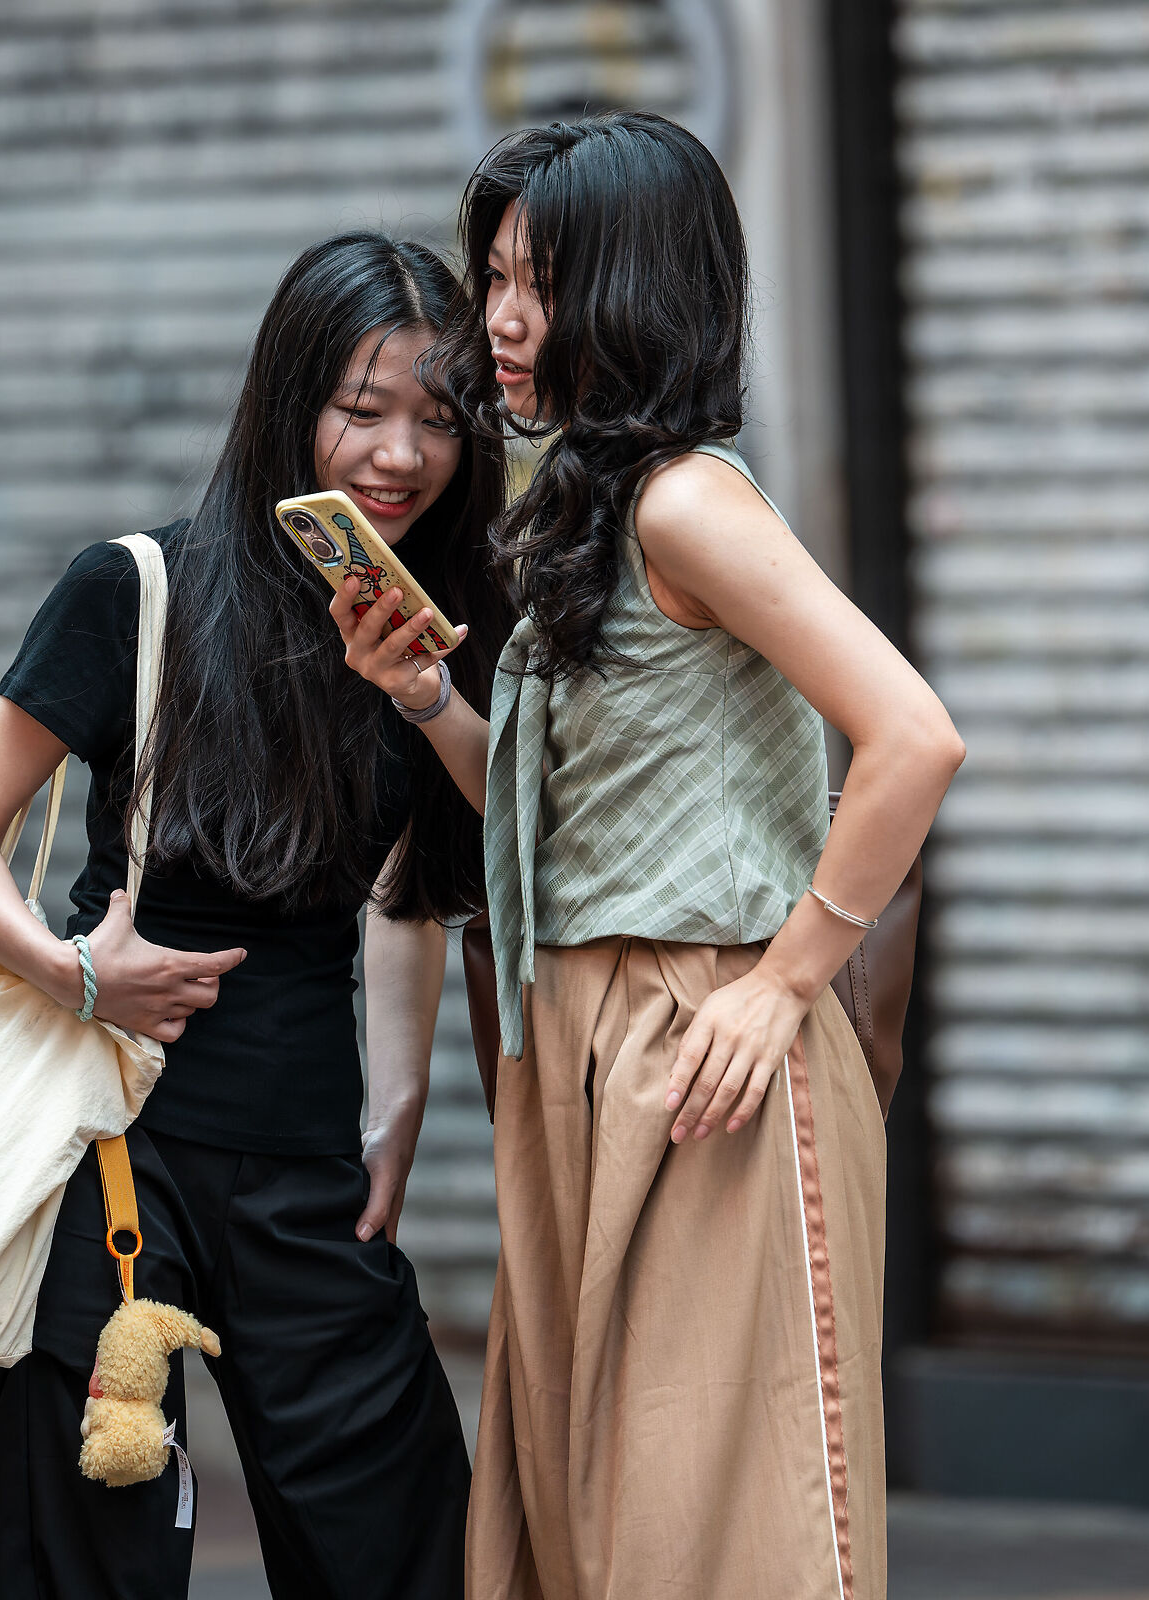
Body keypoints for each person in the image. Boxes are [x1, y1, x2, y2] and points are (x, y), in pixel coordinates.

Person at [330, 114, 966, 1600]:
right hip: (588, 1047)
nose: (495, 318)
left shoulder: (686, 499)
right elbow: (559, 827)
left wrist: (780, 984)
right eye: (493, 275)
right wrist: (426, 699)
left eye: (535, 281)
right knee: (604, 1516)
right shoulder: (589, 504)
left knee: (723, 1526)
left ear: (634, 289)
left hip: (708, 1045)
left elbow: (915, 738)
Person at [0, 231, 516, 1600]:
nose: (400, 454)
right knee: (99, 1559)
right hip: (112, 1145)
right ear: (290, 400)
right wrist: (78, 972)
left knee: (406, 1540)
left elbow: (425, 884)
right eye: (363, 409)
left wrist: (398, 1104)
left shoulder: (437, 632)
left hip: (307, 1163)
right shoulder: (134, 589)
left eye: (438, 418)